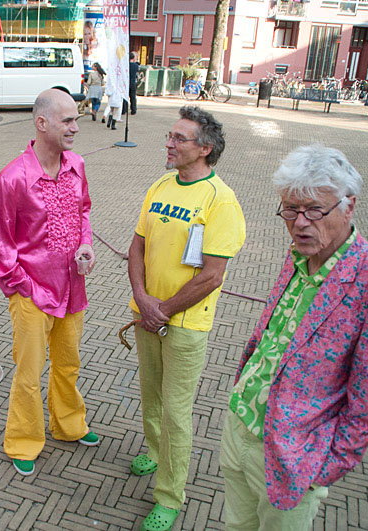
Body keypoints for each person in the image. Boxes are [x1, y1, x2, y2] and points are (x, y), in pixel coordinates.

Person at [220, 145, 368, 530]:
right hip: (240, 424)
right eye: (290, 210)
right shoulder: (299, 254)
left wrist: (321, 467)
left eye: (314, 210)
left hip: (295, 457)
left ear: (349, 206)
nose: (300, 224)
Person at [128, 105, 246, 531]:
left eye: (179, 138)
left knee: (177, 410)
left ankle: (170, 496)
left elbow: (212, 275)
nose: (169, 143)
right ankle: (156, 452)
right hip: (148, 315)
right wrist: (142, 299)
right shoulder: (161, 184)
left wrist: (163, 311)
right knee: (151, 394)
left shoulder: (221, 201)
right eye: (170, 136)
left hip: (184, 325)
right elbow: (138, 245)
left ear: (205, 149)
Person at [0, 89, 99, 477]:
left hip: (73, 287)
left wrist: (85, 245)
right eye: (67, 120)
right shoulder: (12, 178)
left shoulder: (78, 166)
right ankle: (23, 439)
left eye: (76, 119)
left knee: (68, 364)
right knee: (29, 373)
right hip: (31, 291)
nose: (76, 128)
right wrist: (25, 287)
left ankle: (68, 423)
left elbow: (84, 212)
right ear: (42, 123)